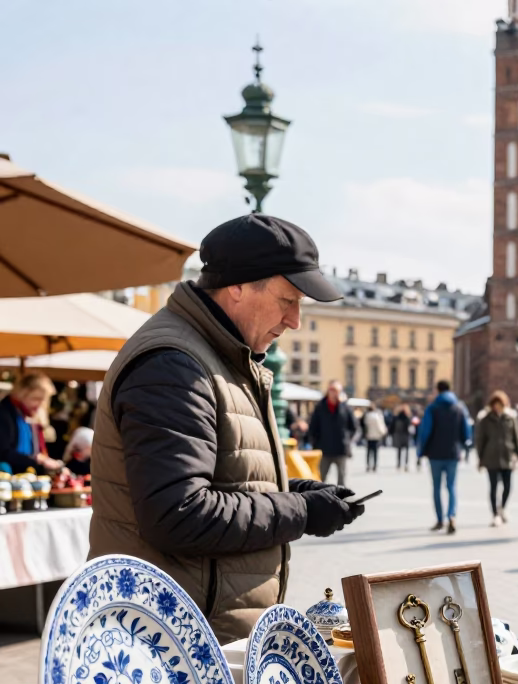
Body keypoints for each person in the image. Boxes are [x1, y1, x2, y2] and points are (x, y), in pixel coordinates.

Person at [89, 214, 365, 643]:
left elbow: (222, 475)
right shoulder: (175, 365)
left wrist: (295, 490)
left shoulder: (219, 356)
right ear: (237, 286)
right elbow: (178, 514)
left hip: (195, 632)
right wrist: (301, 512)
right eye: (287, 299)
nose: (294, 320)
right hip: (171, 644)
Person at [417, 380, 470, 534]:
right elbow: (466, 431)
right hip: (453, 453)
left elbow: (425, 431)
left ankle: (440, 519)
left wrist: (421, 451)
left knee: (436, 487)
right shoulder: (459, 408)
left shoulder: (432, 408)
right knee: (451, 486)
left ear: (437, 390)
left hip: (435, 454)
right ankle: (451, 515)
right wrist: (464, 447)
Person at [476, 390, 518, 526]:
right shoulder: (485, 419)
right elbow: (480, 440)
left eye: (500, 404)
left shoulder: (510, 418)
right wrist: (480, 458)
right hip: (490, 457)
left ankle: (502, 507)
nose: (497, 407)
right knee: (493, 487)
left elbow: (517, 438)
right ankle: (495, 514)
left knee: (508, 486)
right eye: (495, 404)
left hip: (507, 456)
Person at [0, 373, 62, 473]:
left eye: (42, 400)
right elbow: (4, 452)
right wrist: (35, 459)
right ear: (21, 394)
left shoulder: (30, 416)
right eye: (35, 399)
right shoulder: (5, 414)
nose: (39, 404)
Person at [309, 380, 357, 486]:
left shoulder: (345, 407)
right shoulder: (320, 407)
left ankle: (340, 501)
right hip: (324, 449)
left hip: (341, 449)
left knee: (342, 479)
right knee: (320, 478)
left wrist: (347, 439)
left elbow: (354, 427)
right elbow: (313, 427)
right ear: (328, 391)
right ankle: (320, 500)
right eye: (332, 390)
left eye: (336, 391)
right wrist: (316, 443)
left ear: (340, 392)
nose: (334, 393)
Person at [361, 402, 387, 472]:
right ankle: (374, 465)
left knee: (369, 452)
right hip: (376, 436)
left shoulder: (366, 416)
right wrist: (383, 433)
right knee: (375, 452)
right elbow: (380, 426)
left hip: (368, 436)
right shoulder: (377, 416)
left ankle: (368, 465)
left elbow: (362, 426)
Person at [391, 404, 413, 470]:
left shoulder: (396, 417)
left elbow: (392, 427)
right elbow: (410, 427)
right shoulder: (407, 418)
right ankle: (406, 464)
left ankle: (399, 463)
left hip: (398, 435)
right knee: (406, 451)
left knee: (399, 450)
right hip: (405, 435)